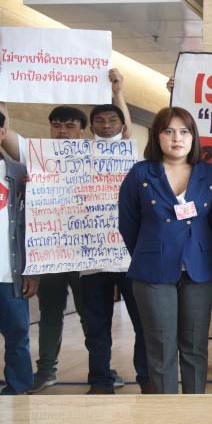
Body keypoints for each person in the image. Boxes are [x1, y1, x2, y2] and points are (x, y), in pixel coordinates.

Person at [1, 69, 131, 393]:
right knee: (50, 313)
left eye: (70, 126)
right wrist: (5, 92)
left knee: (92, 316)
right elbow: (5, 133)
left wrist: (118, 94)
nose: (62, 131)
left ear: (83, 131)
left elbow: (125, 136)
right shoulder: (38, 155)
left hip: (88, 256)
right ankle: (47, 370)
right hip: (50, 252)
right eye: (56, 125)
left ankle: (101, 370)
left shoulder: (96, 153)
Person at [118, 107, 212, 394]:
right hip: (153, 271)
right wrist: (151, 250)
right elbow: (128, 224)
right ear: (157, 136)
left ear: (193, 137)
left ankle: (194, 408)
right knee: (160, 347)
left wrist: (197, 248)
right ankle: (166, 412)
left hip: (199, 270)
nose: (176, 138)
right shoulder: (141, 173)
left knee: (195, 347)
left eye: (184, 131)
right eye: (168, 131)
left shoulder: (209, 174)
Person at [166, 75, 212, 376]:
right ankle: (184, 354)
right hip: (191, 246)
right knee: (190, 307)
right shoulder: (191, 170)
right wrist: (178, 91)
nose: (178, 137)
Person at [81, 101, 150, 394]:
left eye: (112, 120)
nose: (106, 125)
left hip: (130, 259)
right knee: (96, 326)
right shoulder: (75, 158)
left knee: (143, 324)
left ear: (123, 125)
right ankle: (100, 381)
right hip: (91, 260)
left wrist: (120, 92)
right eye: (100, 120)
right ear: (91, 125)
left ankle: (147, 379)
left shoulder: (136, 159)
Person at [0, 111, 38, 395]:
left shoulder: (18, 173)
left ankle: (19, 388)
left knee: (17, 334)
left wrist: (31, 270)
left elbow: (33, 225)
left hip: (8, 273)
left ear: (3, 134)